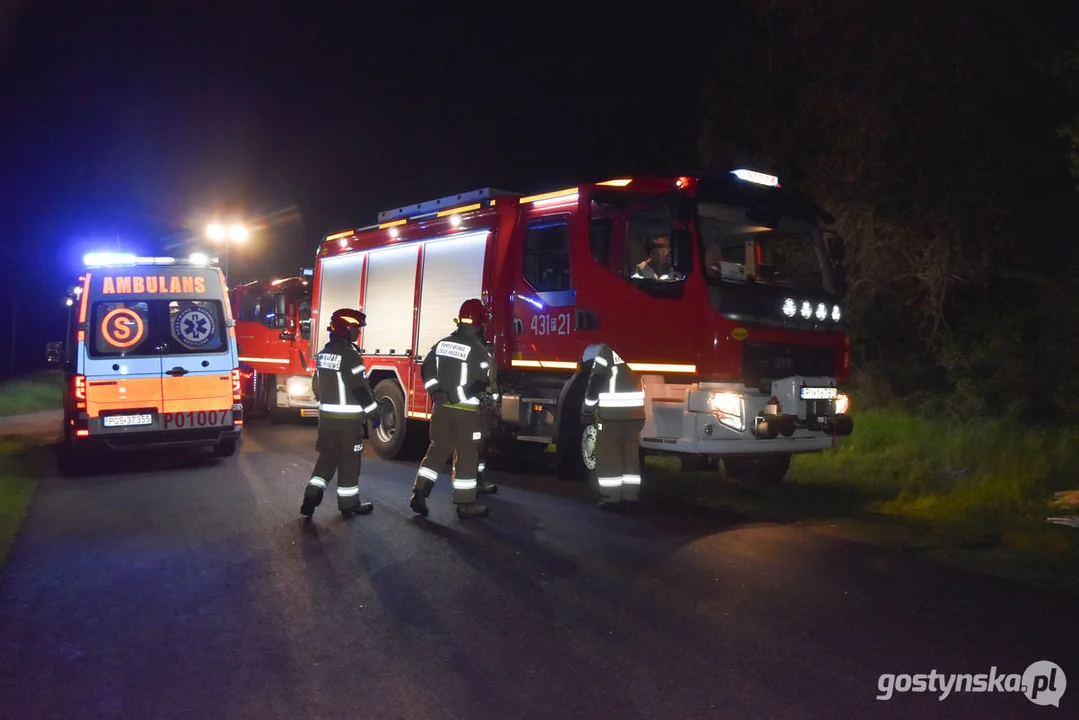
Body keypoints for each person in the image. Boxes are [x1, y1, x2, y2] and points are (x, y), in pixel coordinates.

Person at [409, 298, 495, 519]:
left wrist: (436, 392)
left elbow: (426, 371)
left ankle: (419, 491)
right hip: (465, 413)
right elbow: (481, 385)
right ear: (480, 323)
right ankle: (465, 504)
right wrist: (490, 400)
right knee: (467, 455)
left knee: (437, 449)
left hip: (441, 410)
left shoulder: (441, 345)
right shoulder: (479, 352)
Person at [299, 308, 382, 519]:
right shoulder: (351, 357)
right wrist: (374, 413)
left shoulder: (324, 354)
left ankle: (311, 494)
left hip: (326, 421)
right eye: (355, 329)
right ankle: (349, 503)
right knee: (349, 461)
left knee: (327, 458)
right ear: (345, 329)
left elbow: (317, 386)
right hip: (348, 423)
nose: (358, 333)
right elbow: (361, 390)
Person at [580, 343, 646, 509]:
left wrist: (587, 408)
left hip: (611, 416)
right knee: (630, 457)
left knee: (608, 456)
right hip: (635, 414)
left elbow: (596, 381)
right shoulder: (638, 349)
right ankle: (631, 497)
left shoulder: (607, 352)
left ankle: (611, 498)